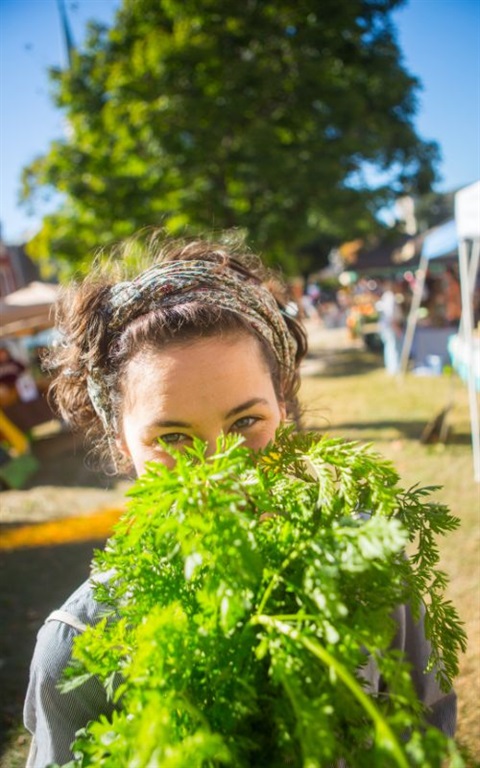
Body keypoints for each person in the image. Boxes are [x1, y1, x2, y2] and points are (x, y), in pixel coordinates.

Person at [24, 234, 456, 767]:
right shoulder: (77, 648)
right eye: (173, 437)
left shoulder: (367, 561)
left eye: (246, 422)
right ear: (120, 442)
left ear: (284, 410)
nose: (219, 469)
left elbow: (426, 721)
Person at [375, 279, 404, 374]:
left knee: (390, 347)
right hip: (390, 327)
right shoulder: (390, 297)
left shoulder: (387, 296)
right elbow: (390, 315)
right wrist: (396, 328)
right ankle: (395, 369)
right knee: (393, 347)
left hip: (388, 327)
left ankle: (393, 368)